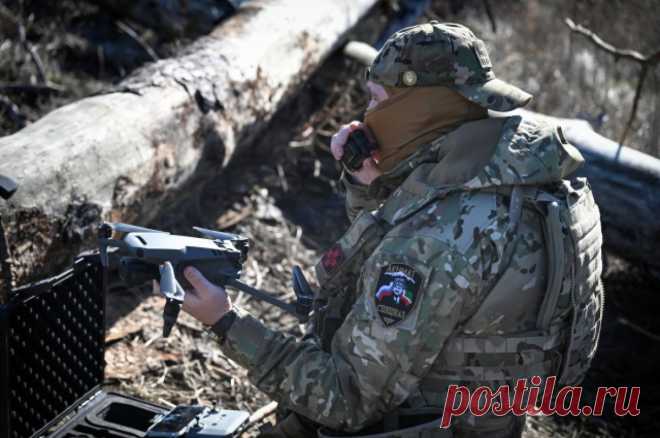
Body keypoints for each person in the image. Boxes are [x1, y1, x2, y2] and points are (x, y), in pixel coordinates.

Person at [178, 22, 605, 438]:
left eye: (377, 100)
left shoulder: (433, 240)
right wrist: (372, 187)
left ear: (417, 110)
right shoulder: (534, 174)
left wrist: (227, 322)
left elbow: (346, 400)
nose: (366, 116)